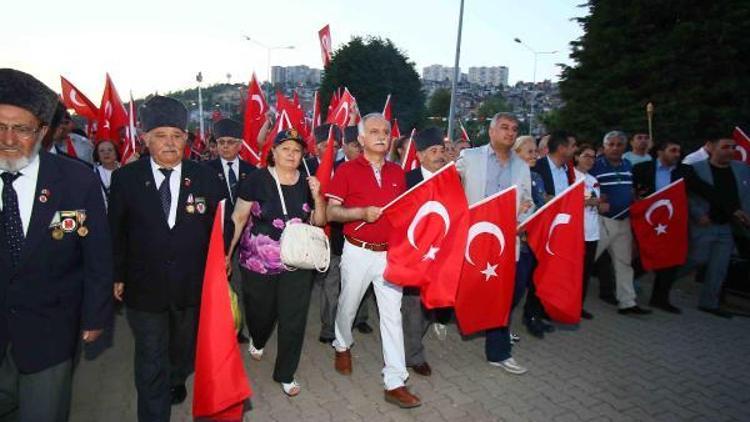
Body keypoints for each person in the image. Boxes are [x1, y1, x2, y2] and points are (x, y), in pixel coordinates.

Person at [0, 68, 113, 421]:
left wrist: (95, 314)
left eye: (21, 128)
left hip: (50, 328)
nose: (8, 138)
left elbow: (96, 254)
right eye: (0, 126)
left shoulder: (75, 181)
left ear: (42, 131)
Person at [109, 96, 221, 421]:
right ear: (146, 139)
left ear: (187, 139)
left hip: (191, 286)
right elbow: (114, 232)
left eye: (176, 135)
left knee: (181, 350)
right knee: (150, 357)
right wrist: (116, 275)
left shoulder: (205, 179)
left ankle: (177, 376)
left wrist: (221, 263)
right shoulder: (126, 179)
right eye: (161, 135)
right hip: (144, 288)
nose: (169, 143)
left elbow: (221, 227)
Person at [325, 113, 421, 408]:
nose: (382, 136)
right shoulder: (346, 171)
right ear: (361, 138)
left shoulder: (397, 173)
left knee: (392, 316)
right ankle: (342, 344)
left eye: (386, 131)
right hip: (357, 251)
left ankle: (395, 381)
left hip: (389, 255)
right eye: (375, 131)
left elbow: (403, 213)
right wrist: (360, 213)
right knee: (348, 305)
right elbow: (331, 213)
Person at [228, 129, 327, 397]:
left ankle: (285, 373)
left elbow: (319, 222)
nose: (291, 155)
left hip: (297, 262)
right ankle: (258, 338)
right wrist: (227, 254)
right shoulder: (256, 180)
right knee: (261, 312)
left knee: (293, 318)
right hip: (258, 262)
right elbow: (238, 218)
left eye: (296, 150)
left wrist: (318, 196)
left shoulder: (309, 182)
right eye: (285, 149)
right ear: (273, 152)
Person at [457, 112, 533, 374]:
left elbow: (528, 201)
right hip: (472, 240)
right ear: (491, 131)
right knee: (464, 290)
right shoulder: (470, 157)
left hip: (505, 242)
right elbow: (450, 185)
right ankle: (442, 316)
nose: (510, 133)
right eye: (504, 127)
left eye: (514, 129)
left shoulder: (522, 166)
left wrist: (524, 214)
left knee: (505, 296)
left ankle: (498, 352)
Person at [682, 135, 750, 317]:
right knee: (697, 259)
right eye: (725, 147)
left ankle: (709, 303)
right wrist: (698, 214)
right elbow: (686, 196)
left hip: (728, 226)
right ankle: (665, 279)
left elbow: (746, 195)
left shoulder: (742, 170)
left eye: (733, 147)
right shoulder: (696, 169)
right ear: (711, 147)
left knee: (719, 266)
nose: (731, 151)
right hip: (705, 223)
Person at [319, 125, 372, 344]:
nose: (359, 150)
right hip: (336, 237)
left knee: (362, 283)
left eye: (361, 146)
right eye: (354, 146)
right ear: (345, 147)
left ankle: (360, 318)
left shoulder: (373, 170)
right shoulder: (335, 169)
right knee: (332, 285)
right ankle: (329, 327)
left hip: (364, 238)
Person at [401, 126, 448, 377]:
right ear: (419, 155)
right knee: (412, 306)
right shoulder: (406, 180)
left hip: (440, 255)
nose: (439, 155)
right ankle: (413, 354)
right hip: (412, 255)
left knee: (431, 305)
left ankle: (407, 342)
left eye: (442, 150)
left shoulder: (451, 179)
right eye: (433, 151)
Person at [205, 118, 256, 344]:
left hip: (247, 237)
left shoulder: (252, 171)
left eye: (231, 142)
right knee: (220, 283)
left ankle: (240, 326)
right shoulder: (204, 171)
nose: (225, 146)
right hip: (215, 236)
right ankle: (222, 326)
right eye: (221, 142)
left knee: (242, 283)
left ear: (240, 145)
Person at [590, 131, 652, 315]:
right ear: (604, 146)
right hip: (602, 222)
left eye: (619, 145)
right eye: (611, 144)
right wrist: (597, 200)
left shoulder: (627, 164)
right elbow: (583, 187)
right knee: (585, 262)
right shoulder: (595, 165)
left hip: (624, 221)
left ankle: (627, 303)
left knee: (624, 263)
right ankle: (566, 298)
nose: (615, 148)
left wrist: (635, 199)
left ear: (624, 147)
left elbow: (628, 189)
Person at [526, 130, 579, 335]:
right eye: (573, 146)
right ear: (562, 148)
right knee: (536, 274)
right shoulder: (537, 167)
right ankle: (531, 316)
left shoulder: (567, 171)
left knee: (550, 272)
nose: (575, 150)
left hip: (558, 231)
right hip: (539, 231)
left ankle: (542, 311)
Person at [575, 144, 606, 319]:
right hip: (577, 232)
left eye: (593, 157)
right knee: (574, 271)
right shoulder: (571, 175)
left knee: (586, 272)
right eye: (586, 155)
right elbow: (579, 200)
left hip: (592, 232)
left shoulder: (593, 179)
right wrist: (594, 201)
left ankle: (579, 305)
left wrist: (598, 203)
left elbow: (595, 202)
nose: (590, 160)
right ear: (577, 156)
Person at [92, 139, 120, 208]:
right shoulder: (93, 174)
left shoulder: (125, 169)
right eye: (102, 151)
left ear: (116, 153)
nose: (106, 153)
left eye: (110, 150)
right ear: (97, 155)